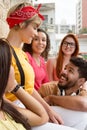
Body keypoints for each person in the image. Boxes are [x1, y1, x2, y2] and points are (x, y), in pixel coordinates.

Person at [5, 2, 63, 124]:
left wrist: (48, 110)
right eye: (35, 27)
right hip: (12, 111)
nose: (36, 33)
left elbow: (29, 89)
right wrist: (28, 114)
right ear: (21, 23)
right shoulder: (4, 51)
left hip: (28, 107)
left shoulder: (22, 54)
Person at [0, 38, 77, 130]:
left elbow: (42, 116)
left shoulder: (5, 106)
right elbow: (45, 86)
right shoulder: (32, 57)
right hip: (29, 100)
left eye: (44, 40)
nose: (13, 69)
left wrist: (14, 86)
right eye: (10, 64)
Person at [42, 57, 87, 130]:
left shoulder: (83, 94)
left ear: (81, 81)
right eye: (65, 68)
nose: (64, 72)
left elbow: (84, 104)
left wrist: (51, 99)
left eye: (70, 71)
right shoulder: (47, 89)